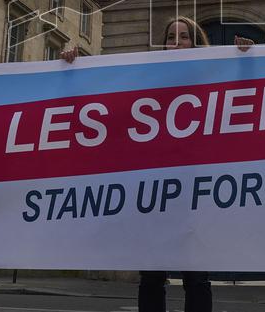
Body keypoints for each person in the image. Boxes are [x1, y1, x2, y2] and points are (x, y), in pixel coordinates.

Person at [61, 16, 215, 312]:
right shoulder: (146, 77)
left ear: (196, 43)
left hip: (195, 189)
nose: (176, 43)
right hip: (154, 189)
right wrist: (74, 69)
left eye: (184, 37)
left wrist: (247, 55)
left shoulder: (213, 77)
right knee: (152, 277)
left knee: (197, 277)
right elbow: (107, 102)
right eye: (171, 37)